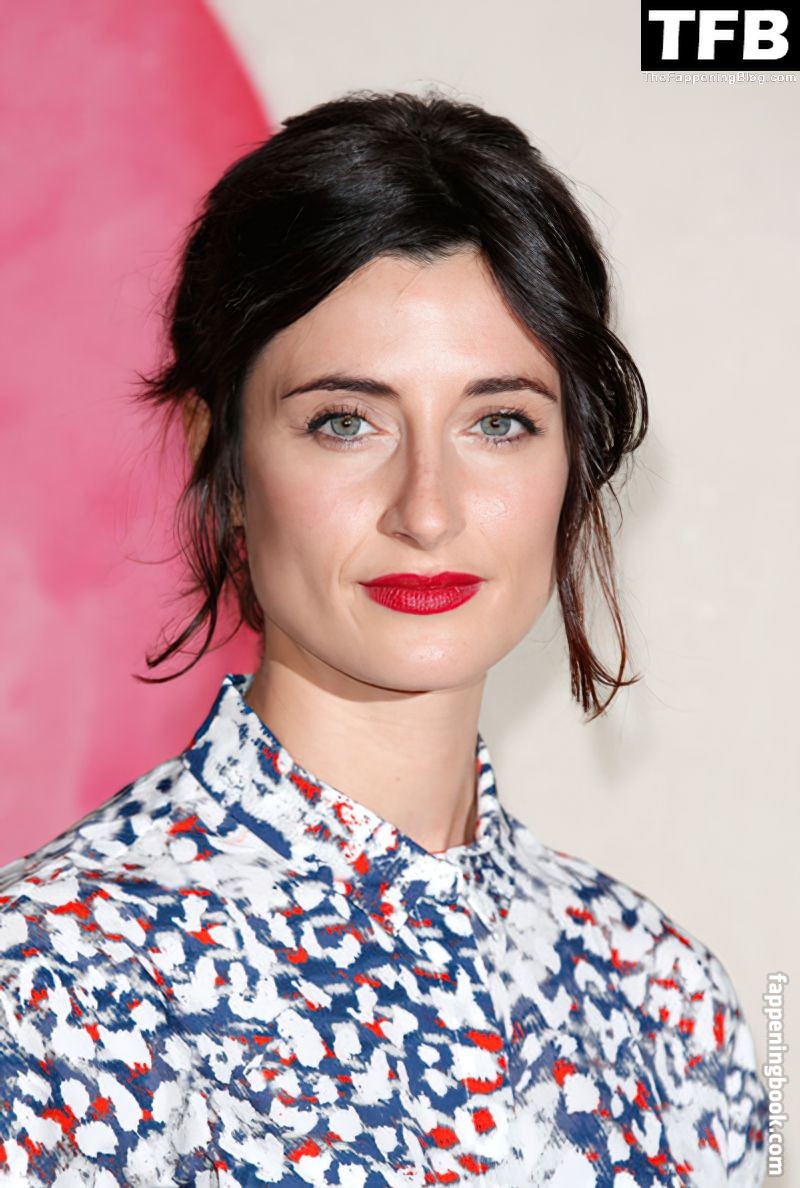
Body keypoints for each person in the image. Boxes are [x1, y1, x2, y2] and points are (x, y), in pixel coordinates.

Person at [0, 90, 767, 1187]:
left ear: (573, 461)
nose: (427, 509)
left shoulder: (666, 1000)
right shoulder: (47, 984)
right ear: (222, 458)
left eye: (498, 422)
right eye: (344, 422)